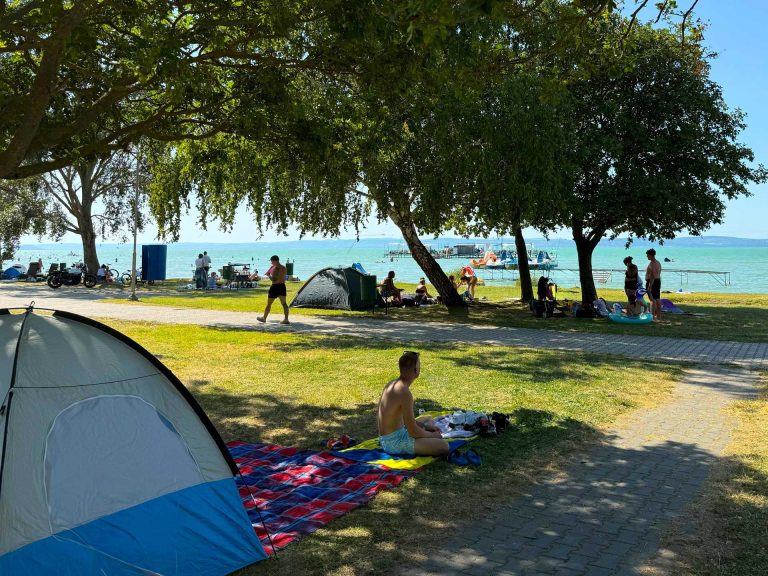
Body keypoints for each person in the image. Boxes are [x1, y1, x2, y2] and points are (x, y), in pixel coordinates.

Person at [377, 351, 449, 457]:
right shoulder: (405, 393)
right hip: (394, 443)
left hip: (387, 437)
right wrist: (433, 435)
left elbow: (403, 420)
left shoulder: (392, 384)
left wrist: (425, 426)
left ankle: (427, 429)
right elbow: (413, 432)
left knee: (428, 418)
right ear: (416, 370)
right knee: (443, 446)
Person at [257, 255, 290, 324]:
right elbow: (284, 277)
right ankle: (286, 319)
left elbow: (274, 279)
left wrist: (269, 275)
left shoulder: (275, 268)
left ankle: (264, 318)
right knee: (284, 303)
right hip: (282, 286)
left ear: (274, 261)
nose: (271, 263)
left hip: (275, 287)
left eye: (272, 262)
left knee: (269, 303)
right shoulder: (284, 268)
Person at [645, 248, 662, 320]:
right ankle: (658, 316)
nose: (647, 257)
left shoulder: (653, 264)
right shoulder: (658, 263)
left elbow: (653, 276)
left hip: (652, 282)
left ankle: (652, 316)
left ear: (651, 255)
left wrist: (649, 286)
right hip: (657, 281)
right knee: (657, 299)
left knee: (652, 300)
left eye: (648, 255)